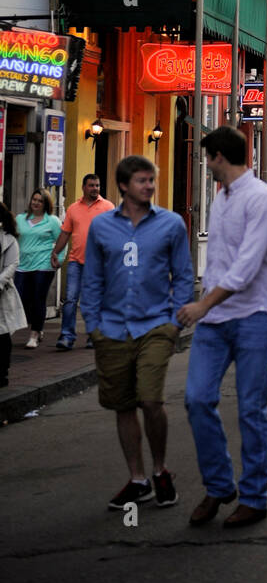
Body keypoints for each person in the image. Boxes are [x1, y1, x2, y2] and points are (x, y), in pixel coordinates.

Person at [180, 127, 267, 526]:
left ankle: (255, 497)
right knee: (197, 399)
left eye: (208, 158)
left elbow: (247, 265)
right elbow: (222, 261)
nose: (205, 166)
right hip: (216, 320)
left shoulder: (261, 198)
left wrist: (203, 304)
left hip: (255, 315)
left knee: (251, 408)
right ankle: (219, 485)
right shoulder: (220, 199)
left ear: (220, 156)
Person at [82, 155, 194, 511]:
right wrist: (93, 325)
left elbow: (184, 274)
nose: (149, 186)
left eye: (151, 180)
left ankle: (160, 469)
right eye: (142, 181)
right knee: (124, 404)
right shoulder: (102, 227)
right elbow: (92, 279)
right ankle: (137, 478)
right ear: (125, 186)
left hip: (155, 325)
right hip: (112, 328)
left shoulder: (172, 225)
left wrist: (174, 323)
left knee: (150, 399)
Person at [51, 173, 114, 350]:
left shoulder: (108, 207)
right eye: (92, 185)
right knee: (70, 299)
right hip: (75, 262)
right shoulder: (73, 208)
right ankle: (66, 336)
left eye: (97, 185)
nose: (95, 189)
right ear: (83, 187)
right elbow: (65, 233)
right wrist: (55, 252)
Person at [15, 188, 63, 349]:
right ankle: (38, 325)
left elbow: (62, 240)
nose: (36, 203)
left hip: (44, 265)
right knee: (21, 298)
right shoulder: (20, 219)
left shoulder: (52, 221)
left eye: (40, 201)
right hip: (22, 265)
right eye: (34, 199)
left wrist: (59, 259)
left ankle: (35, 333)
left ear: (46, 204)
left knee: (38, 298)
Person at [0, 204, 23, 388]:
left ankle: (2, 372)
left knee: (2, 332)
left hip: (2, 292)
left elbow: (11, 266)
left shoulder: (9, 240)